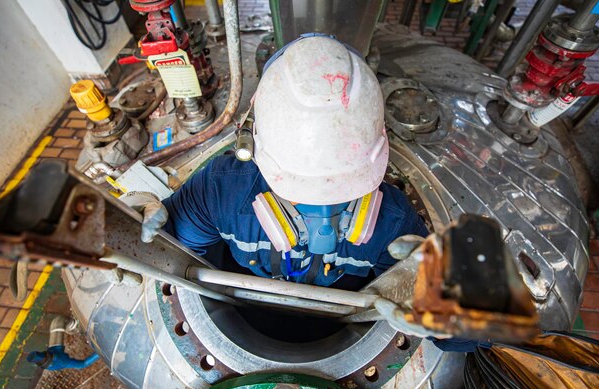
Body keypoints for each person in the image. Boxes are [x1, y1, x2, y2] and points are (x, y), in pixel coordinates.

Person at [127, 35, 428, 290]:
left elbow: (431, 307)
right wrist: (129, 231)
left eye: (344, 189)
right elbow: (170, 254)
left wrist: (463, 308)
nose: (324, 221)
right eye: (300, 190)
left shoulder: (395, 225)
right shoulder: (220, 192)